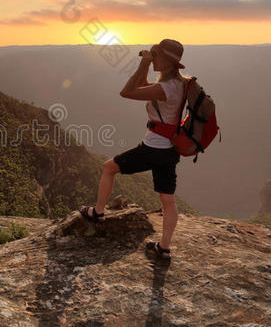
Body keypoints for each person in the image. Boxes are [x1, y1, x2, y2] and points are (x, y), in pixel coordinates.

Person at [79, 39, 191, 259]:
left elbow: (128, 91)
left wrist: (143, 64)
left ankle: (98, 212)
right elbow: (143, 86)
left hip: (152, 148)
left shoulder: (165, 88)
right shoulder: (180, 84)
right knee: (168, 199)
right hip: (170, 150)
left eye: (156, 54)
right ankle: (164, 247)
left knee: (108, 167)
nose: (153, 57)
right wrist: (148, 64)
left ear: (166, 61)